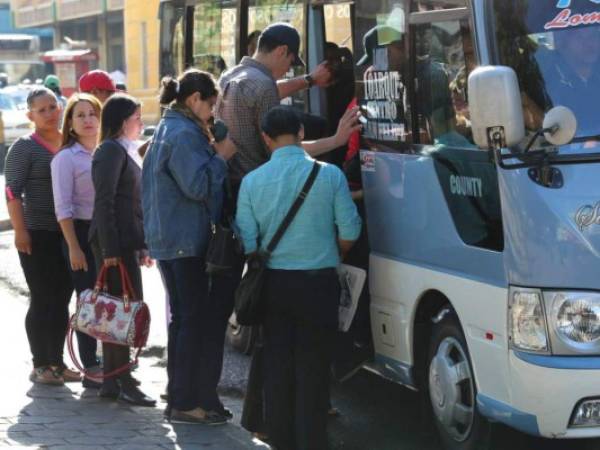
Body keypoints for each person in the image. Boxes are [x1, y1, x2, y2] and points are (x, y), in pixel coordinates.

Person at [236, 106, 361, 450]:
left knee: (277, 362)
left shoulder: (251, 182)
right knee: (314, 363)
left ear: (265, 138)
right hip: (319, 282)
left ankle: (281, 438)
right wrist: (335, 252)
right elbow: (351, 227)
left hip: (274, 285)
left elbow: (248, 241)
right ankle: (312, 438)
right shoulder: (330, 175)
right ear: (302, 133)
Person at [142, 69, 236, 424]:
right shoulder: (181, 134)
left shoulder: (172, 126)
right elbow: (196, 185)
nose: (213, 113)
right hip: (183, 240)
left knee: (184, 319)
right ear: (194, 99)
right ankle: (183, 402)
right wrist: (220, 157)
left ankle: (182, 396)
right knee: (190, 320)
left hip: (172, 238)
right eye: (211, 105)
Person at [217, 22, 360, 190]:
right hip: (261, 188)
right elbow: (284, 151)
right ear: (282, 51)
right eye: (291, 62)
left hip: (230, 184)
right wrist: (336, 140)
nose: (287, 70)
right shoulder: (263, 86)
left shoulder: (229, 76)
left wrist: (310, 80)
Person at [4, 87, 79, 385]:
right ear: (30, 115)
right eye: (42, 110)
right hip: (37, 233)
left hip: (68, 234)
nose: (50, 113)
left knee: (63, 299)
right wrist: (20, 231)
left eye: (53, 107)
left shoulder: (70, 143)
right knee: (42, 298)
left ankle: (57, 363)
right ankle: (40, 365)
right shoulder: (24, 148)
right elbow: (12, 192)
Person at [89, 93, 155, 406]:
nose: (141, 122)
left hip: (126, 242)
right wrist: (110, 248)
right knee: (119, 311)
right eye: (136, 117)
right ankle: (120, 379)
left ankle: (114, 380)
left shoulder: (124, 149)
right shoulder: (110, 150)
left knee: (122, 309)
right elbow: (104, 202)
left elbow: (132, 205)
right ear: (120, 121)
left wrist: (141, 244)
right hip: (112, 244)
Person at [50, 93, 103, 388]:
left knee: (110, 300)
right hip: (80, 234)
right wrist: (73, 246)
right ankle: (90, 365)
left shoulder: (108, 150)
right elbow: (63, 208)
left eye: (92, 113)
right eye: (79, 115)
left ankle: (113, 363)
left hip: (107, 233)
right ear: (69, 122)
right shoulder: (65, 158)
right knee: (87, 301)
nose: (87, 120)